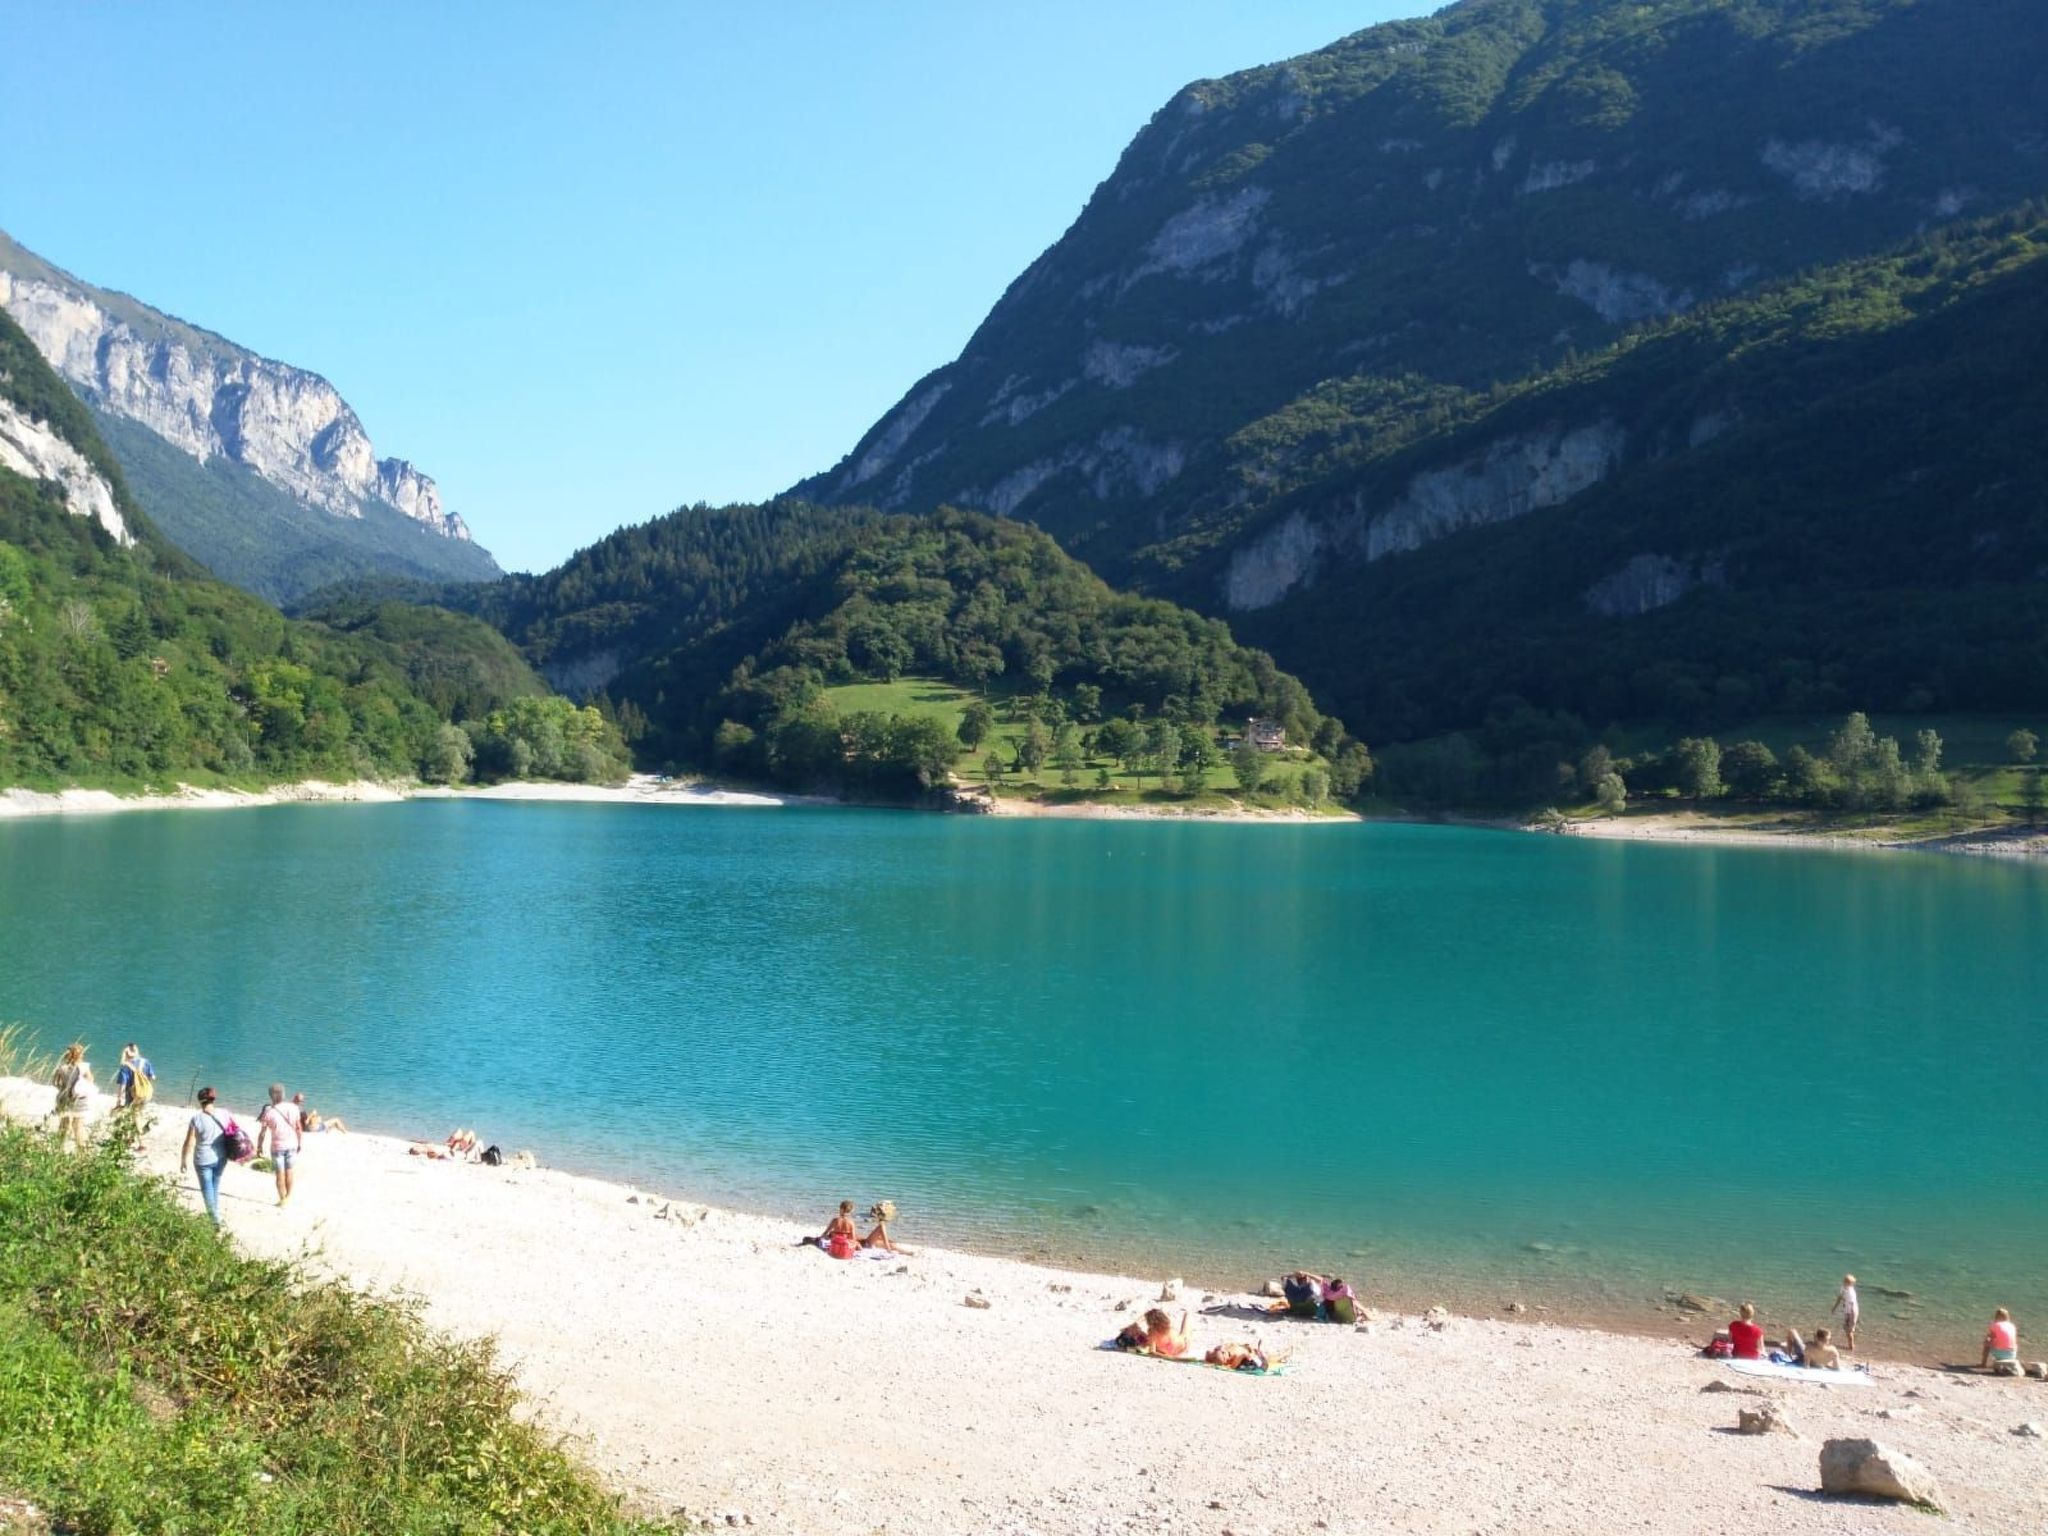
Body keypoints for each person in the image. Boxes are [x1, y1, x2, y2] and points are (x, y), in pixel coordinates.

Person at [179, 1087, 233, 1227]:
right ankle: (214, 1214)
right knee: (215, 1186)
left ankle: (214, 1220)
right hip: (221, 1156)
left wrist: (183, 1160)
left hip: (203, 1159)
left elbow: (189, 1142)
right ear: (213, 1099)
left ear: (200, 1101)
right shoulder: (225, 1113)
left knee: (207, 1188)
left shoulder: (196, 1118)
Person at [256, 1082, 303, 1208]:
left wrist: (259, 1146)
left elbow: (263, 1133)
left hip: (277, 1147)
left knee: (279, 1174)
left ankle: (282, 1200)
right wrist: (299, 1143)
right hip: (292, 1144)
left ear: (271, 1096)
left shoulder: (269, 1112)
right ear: (283, 1094)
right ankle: (288, 1196)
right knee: (289, 1171)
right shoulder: (294, 1108)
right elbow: (299, 1128)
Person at [50, 1044, 93, 1149]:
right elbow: (90, 1081)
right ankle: (81, 1151)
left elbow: (54, 1082)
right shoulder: (84, 1067)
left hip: (64, 1099)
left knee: (64, 1124)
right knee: (78, 1126)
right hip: (79, 1099)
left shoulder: (62, 1068)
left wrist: (62, 1088)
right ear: (81, 1055)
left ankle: (59, 1148)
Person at [114, 1043, 156, 1111]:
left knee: (129, 1114)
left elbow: (123, 1085)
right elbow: (153, 1077)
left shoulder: (125, 1066)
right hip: (145, 1093)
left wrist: (119, 1100)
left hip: (132, 1095)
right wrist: (142, 1080)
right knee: (139, 1113)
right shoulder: (145, 1062)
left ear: (126, 1053)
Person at [1831, 1274, 1860, 1352]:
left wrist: (1834, 1308)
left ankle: (1851, 1345)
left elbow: (1840, 1298)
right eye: (1852, 1283)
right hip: (1850, 1311)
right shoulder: (1847, 1290)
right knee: (1849, 1330)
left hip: (1850, 1311)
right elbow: (1843, 1300)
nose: (1853, 1284)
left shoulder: (1845, 1289)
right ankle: (1851, 1346)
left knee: (1849, 1330)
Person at [1204, 1342, 1271, 1372]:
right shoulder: (1232, 1361)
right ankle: (1261, 1355)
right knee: (1261, 1365)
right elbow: (1233, 1366)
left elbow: (1208, 1353)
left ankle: (1260, 1354)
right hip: (1250, 1360)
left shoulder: (1228, 1352)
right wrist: (1243, 1355)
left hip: (1248, 1353)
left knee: (1262, 1362)